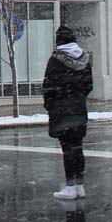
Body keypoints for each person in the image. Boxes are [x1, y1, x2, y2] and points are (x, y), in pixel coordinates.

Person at [42, 25, 93, 200]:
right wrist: (78, 98)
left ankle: (70, 187)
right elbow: (88, 86)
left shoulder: (55, 60)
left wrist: (51, 104)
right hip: (79, 109)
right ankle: (79, 185)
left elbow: (48, 87)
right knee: (78, 148)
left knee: (67, 150)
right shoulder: (85, 59)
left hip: (62, 111)